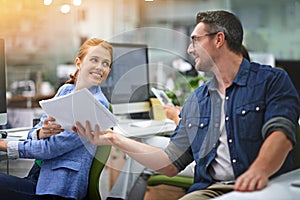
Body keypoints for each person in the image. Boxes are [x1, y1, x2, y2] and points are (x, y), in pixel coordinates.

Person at [75, 10, 300, 200]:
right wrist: (114, 138)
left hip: (267, 184)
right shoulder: (197, 100)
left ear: (218, 40)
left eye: (195, 40)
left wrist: (259, 170)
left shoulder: (271, 81)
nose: (190, 50)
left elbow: (281, 132)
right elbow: (169, 163)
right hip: (213, 190)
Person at [0, 37, 113, 200]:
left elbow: (51, 149)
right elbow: (38, 127)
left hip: (59, 189)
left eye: (105, 63)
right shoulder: (66, 90)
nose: (100, 67)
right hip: (38, 177)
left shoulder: (96, 104)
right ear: (79, 63)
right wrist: (40, 133)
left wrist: (4, 146)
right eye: (94, 60)